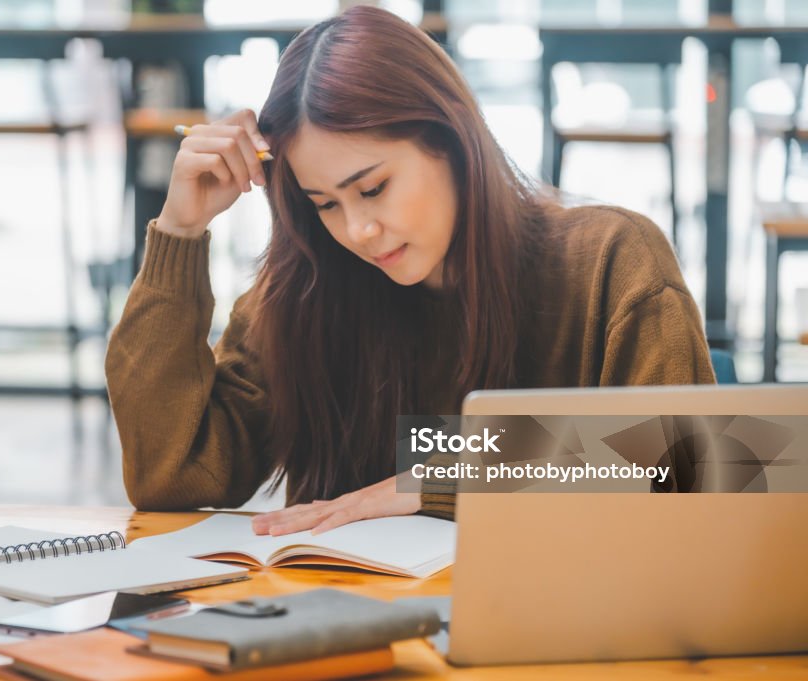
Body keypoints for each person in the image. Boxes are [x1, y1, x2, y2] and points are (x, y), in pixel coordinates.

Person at [104, 6, 715, 537]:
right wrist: (178, 234)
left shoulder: (609, 260)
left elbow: (695, 466)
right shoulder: (307, 287)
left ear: (450, 141)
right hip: (353, 635)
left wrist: (440, 476)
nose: (357, 231)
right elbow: (171, 473)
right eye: (324, 205)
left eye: (373, 187)